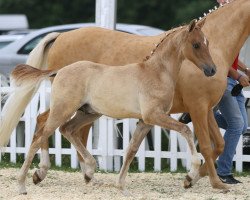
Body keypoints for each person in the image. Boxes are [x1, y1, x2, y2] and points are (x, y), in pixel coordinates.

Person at [180, 0, 250, 184]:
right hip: (224, 81)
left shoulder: (230, 24)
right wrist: (238, 75)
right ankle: (224, 171)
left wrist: (244, 70)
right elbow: (218, 60)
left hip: (232, 80)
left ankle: (195, 114)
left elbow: (231, 57)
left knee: (242, 126)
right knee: (236, 125)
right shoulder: (218, 25)